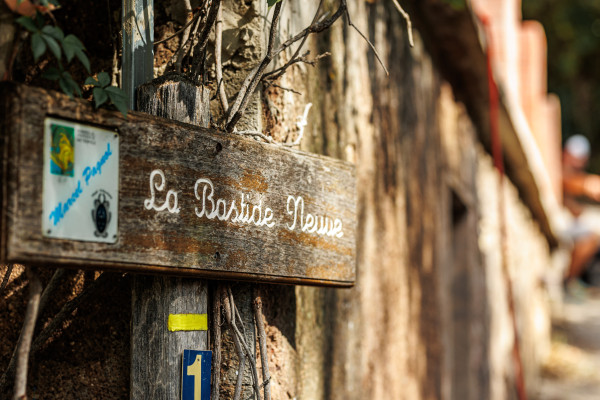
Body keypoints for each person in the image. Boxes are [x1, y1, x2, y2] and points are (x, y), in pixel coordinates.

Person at [562, 134, 600, 290]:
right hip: (561, 223)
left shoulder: (579, 175)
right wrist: (586, 184)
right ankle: (568, 282)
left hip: (573, 220)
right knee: (594, 232)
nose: (576, 161)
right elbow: (565, 182)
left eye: (580, 157)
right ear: (566, 153)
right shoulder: (559, 169)